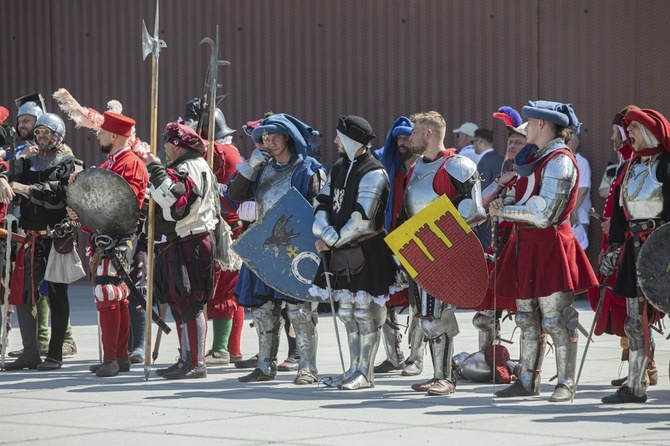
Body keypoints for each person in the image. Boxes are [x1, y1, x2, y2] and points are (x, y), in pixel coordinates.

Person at [490, 101, 598, 402]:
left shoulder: (560, 160)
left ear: (542, 125)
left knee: (556, 319)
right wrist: (505, 201)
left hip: (550, 244)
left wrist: (505, 211)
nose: (526, 127)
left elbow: (544, 214)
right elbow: (524, 196)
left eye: (530, 121)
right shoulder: (536, 157)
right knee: (526, 317)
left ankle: (566, 383)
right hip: (526, 243)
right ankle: (527, 379)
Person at [229, 113, 325, 384]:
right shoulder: (261, 168)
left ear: (288, 138)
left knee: (300, 311)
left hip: (298, 248)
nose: (269, 142)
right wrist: (249, 167)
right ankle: (264, 364)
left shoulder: (308, 169)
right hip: (265, 245)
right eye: (265, 138)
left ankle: (307, 367)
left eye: (274, 137)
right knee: (263, 310)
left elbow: (320, 209)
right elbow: (234, 195)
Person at [310, 115, 396, 390]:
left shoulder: (373, 171)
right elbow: (321, 202)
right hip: (339, 250)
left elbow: (363, 218)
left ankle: (365, 373)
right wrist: (324, 232)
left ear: (350, 140)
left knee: (364, 312)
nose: (334, 140)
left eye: (338, 136)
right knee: (346, 312)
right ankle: (352, 368)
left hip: (367, 249)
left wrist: (332, 240)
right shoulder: (337, 167)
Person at [403, 111, 484, 396]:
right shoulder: (415, 169)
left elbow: (474, 210)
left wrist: (443, 227)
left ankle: (445, 378)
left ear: (428, 134)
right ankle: (439, 373)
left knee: (435, 317)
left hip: (447, 250)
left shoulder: (459, 166)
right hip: (421, 251)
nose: (409, 137)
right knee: (424, 317)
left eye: (414, 132)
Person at [1, 113, 84, 371]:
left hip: (56, 238)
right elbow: (7, 174)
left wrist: (27, 189)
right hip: (30, 238)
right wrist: (3, 179)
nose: (40, 137)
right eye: (38, 132)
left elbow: (60, 193)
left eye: (46, 132)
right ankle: (30, 353)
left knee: (58, 295)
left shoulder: (70, 164)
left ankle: (55, 354)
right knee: (23, 294)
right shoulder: (26, 162)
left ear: (57, 134)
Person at [599, 107, 670, 404]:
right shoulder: (629, 166)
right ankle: (635, 384)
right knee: (633, 322)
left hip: (664, 248)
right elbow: (618, 212)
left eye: (635, 130)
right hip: (634, 248)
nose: (630, 135)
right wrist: (614, 246)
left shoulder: (667, 164)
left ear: (651, 131)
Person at [148, 122, 218, 379]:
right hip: (177, 242)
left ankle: (196, 362)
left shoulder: (189, 167)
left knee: (190, 303)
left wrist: (154, 168)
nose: (164, 146)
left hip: (191, 240)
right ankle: (185, 358)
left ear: (176, 145)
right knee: (179, 304)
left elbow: (174, 201)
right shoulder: (183, 166)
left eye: (167, 141)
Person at [81, 112, 148, 377]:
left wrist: (87, 206)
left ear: (114, 135)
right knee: (116, 294)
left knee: (108, 292)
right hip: (105, 235)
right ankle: (119, 357)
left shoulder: (129, 163)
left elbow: (123, 204)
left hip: (116, 235)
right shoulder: (113, 162)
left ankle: (112, 358)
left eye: (101, 132)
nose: (97, 135)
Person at [180, 99, 244, 366]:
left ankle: (222, 349)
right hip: (217, 226)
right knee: (224, 291)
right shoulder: (217, 151)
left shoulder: (221, 154)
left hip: (227, 230)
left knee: (224, 292)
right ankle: (229, 349)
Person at [374, 116, 426, 377]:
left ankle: (416, 357)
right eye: (398, 139)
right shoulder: (387, 166)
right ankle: (394, 356)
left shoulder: (426, 167)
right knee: (386, 301)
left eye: (406, 137)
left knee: (420, 302)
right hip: (389, 239)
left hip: (419, 241)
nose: (402, 143)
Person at [473, 128, 504, 250]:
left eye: (473, 141)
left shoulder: (483, 161)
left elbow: (481, 191)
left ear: (479, 142)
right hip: (501, 209)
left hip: (486, 213)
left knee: (486, 248)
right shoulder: (500, 159)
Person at [566, 133, 592, 250]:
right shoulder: (563, 160)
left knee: (578, 254)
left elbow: (583, 189)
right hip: (566, 217)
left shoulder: (581, 162)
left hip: (577, 217)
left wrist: (573, 211)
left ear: (574, 143)